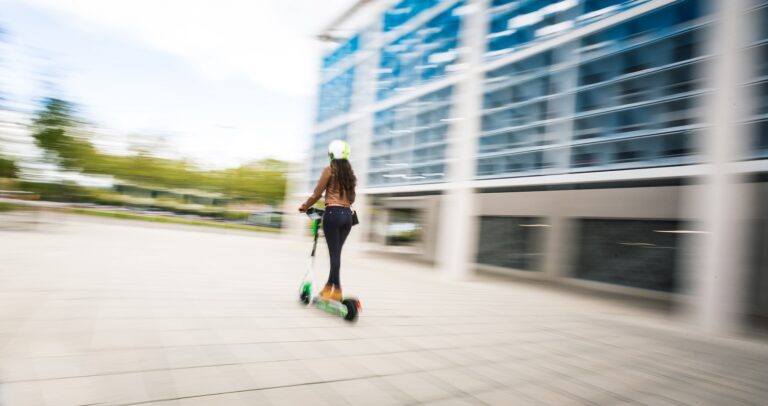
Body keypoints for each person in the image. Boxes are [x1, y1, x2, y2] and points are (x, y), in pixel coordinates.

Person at [299, 139, 356, 302]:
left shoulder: (330, 169)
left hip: (333, 214)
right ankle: (328, 287)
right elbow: (352, 198)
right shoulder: (350, 174)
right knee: (336, 254)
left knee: (334, 255)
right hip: (347, 217)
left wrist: (304, 206)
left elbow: (317, 193)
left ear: (331, 154)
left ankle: (336, 289)